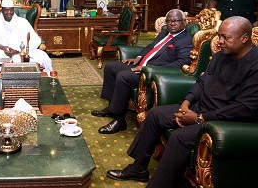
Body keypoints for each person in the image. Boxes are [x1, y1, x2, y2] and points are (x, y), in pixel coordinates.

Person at [106, 16, 258, 187]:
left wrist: (200, 118)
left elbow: (244, 109)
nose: (219, 41)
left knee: (179, 137)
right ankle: (138, 168)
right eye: (219, 36)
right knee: (156, 114)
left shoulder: (255, 65)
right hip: (199, 108)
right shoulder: (222, 54)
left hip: (222, 121)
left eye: (226, 37)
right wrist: (186, 102)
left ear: (244, 38)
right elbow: (202, 81)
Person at [91, 9, 192, 134]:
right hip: (141, 65)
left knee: (124, 76)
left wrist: (148, 69)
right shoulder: (165, 33)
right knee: (110, 67)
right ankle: (112, 108)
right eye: (169, 21)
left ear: (184, 22)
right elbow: (151, 46)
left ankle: (119, 120)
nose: (172, 23)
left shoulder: (186, 40)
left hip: (153, 73)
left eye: (176, 21)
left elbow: (180, 64)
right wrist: (138, 58)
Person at [0, 0, 53, 74]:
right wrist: (1, 48)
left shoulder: (23, 22)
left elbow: (34, 39)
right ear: (2, 10)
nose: (9, 12)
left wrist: (20, 50)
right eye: (6, 10)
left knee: (43, 57)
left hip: (22, 52)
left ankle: (43, 81)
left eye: (11, 10)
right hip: (2, 53)